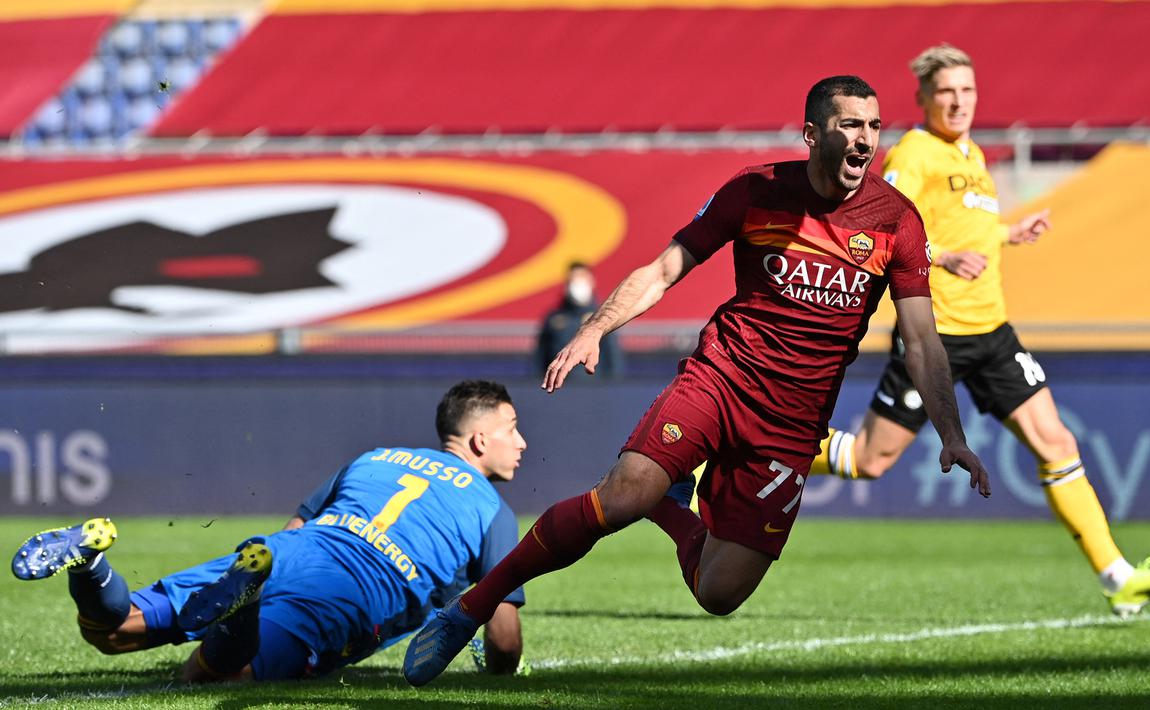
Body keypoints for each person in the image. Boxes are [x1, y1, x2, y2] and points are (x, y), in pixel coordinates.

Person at [403, 75, 992, 686]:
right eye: (850, 125)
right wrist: (595, 328)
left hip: (793, 422)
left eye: (873, 126)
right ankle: (468, 610)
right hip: (723, 376)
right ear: (813, 134)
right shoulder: (755, 191)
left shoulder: (896, 221)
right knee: (623, 495)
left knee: (718, 593)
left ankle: (668, 507)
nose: (866, 139)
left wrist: (951, 434)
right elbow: (664, 270)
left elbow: (922, 341)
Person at [809, 45, 1150, 617]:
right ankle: (743, 447)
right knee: (870, 459)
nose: (958, 101)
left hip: (992, 331)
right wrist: (943, 259)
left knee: (1057, 443)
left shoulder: (972, 154)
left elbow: (961, 228)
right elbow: (879, 225)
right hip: (936, 335)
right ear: (923, 98)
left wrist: (1007, 233)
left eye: (966, 90)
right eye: (946, 91)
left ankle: (1117, 576)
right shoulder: (915, 152)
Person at [10, 380, 529, 681]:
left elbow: (297, 525)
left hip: (287, 552)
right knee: (211, 678)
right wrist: (501, 675)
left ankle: (92, 564)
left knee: (114, 632)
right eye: (512, 429)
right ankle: (246, 611)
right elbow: (503, 638)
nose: (522, 442)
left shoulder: (377, 457)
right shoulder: (493, 512)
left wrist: (276, 570)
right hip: (350, 592)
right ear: (480, 440)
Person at [536, 261, 624, 378]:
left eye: (582, 277)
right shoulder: (553, 318)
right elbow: (539, 357)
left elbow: (613, 356)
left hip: (593, 385)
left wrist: (612, 384)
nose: (577, 283)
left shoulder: (602, 317)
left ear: (591, 281)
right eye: (573, 279)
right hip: (559, 385)